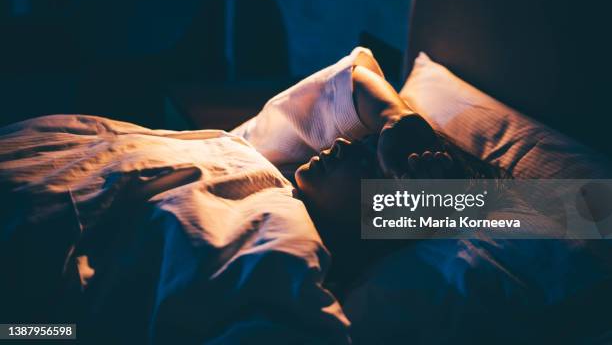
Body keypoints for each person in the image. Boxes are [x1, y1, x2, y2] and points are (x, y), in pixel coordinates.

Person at [0, 47, 503, 342]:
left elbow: (580, 211)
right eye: (370, 144)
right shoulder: (270, 160)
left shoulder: (282, 253)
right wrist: (399, 126)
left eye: (371, 160)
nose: (350, 141)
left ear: (386, 218)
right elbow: (354, 79)